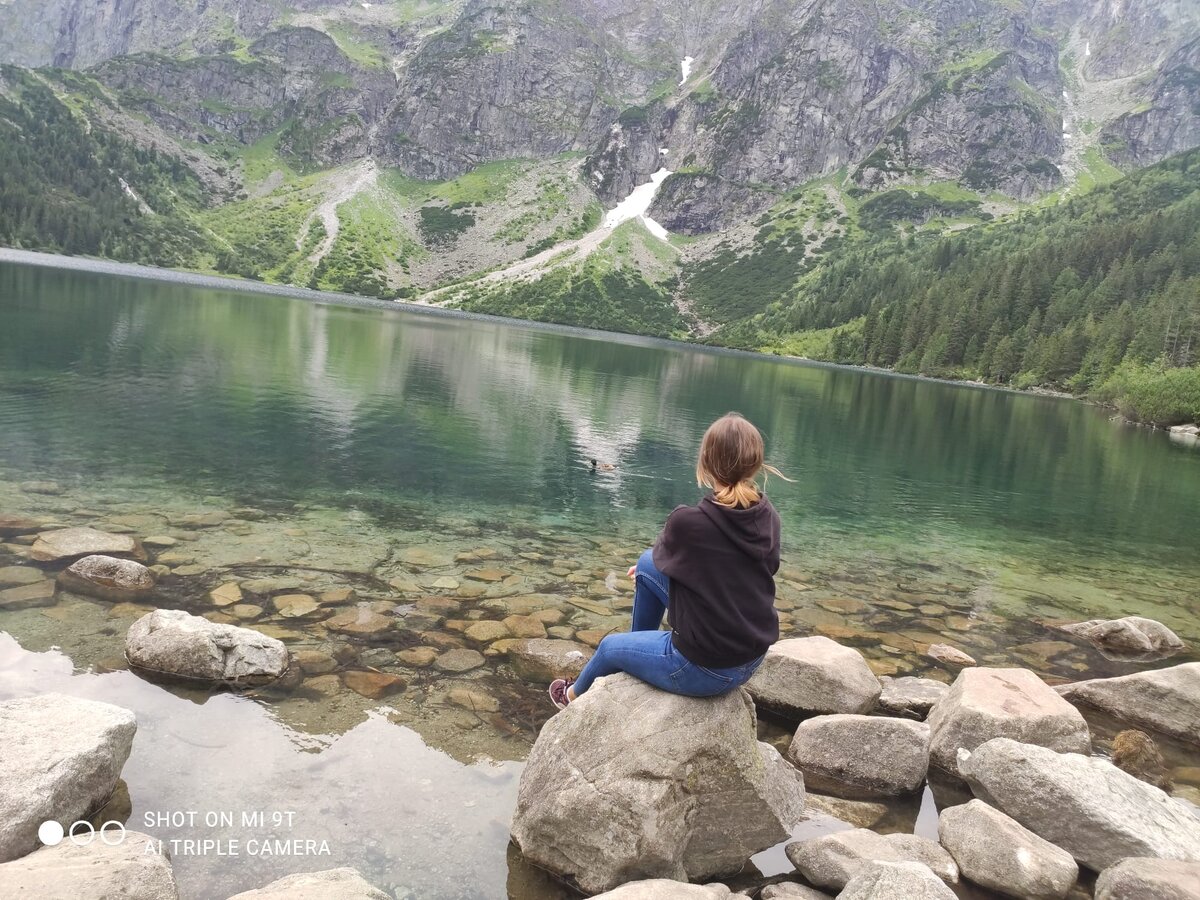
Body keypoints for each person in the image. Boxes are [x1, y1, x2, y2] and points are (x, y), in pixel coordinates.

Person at [550, 412, 786, 708]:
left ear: (705, 461)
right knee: (647, 564)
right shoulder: (769, 516)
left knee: (609, 648)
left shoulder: (688, 521)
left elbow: (682, 560)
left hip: (704, 668)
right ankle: (638, 653)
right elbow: (755, 571)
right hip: (751, 658)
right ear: (755, 463)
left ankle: (569, 697)